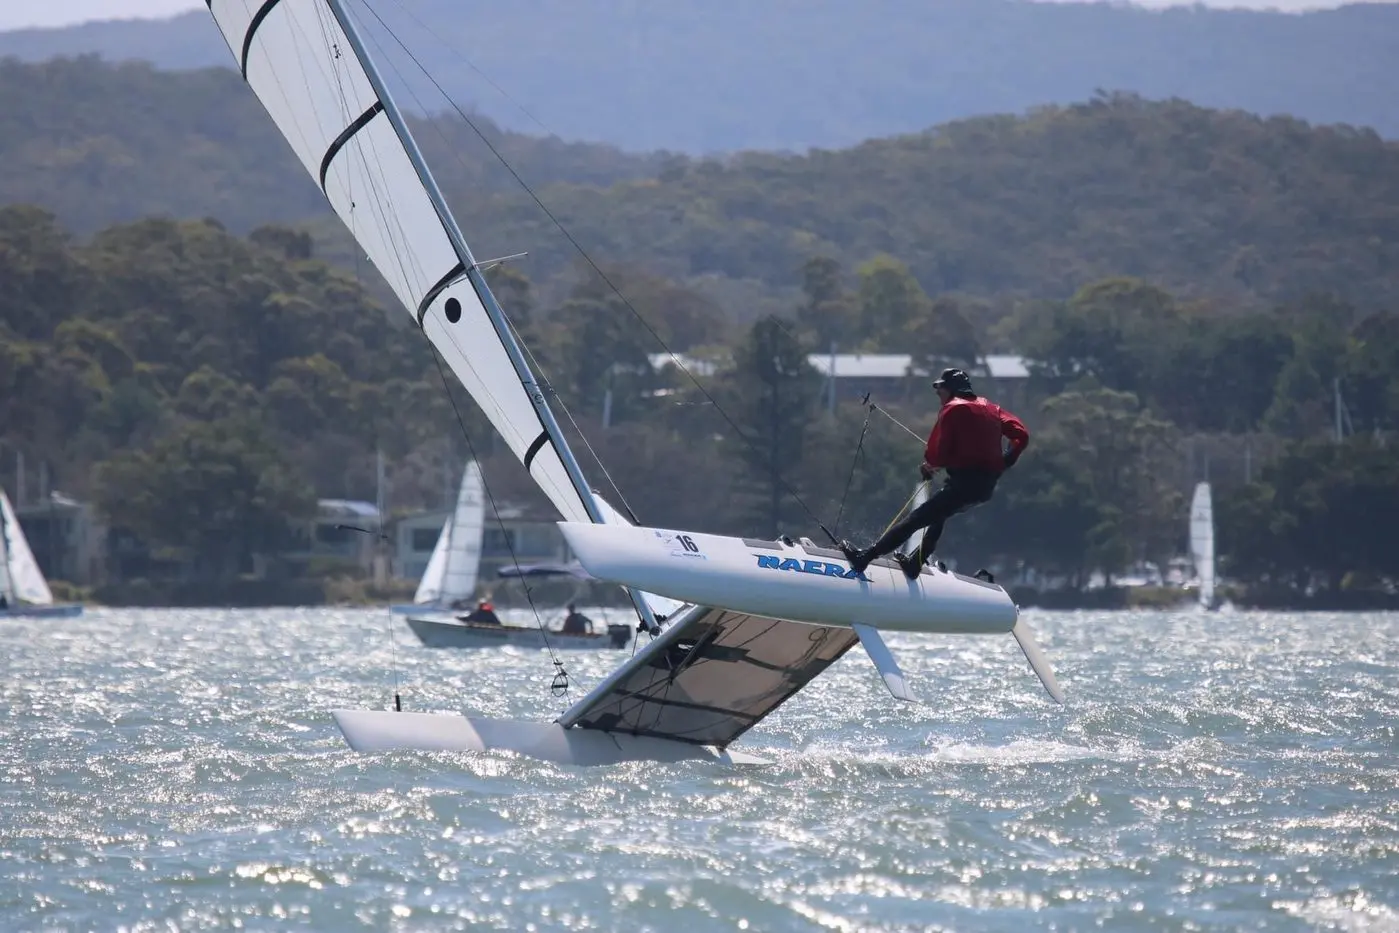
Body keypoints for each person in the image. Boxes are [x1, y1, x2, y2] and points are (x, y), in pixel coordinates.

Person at [841, 368, 1029, 580]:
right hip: (985, 488)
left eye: (941, 389)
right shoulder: (992, 408)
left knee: (916, 519)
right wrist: (1005, 462)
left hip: (964, 485)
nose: (938, 394)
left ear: (952, 389)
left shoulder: (952, 408)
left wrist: (929, 466)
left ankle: (864, 558)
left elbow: (935, 453)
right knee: (939, 513)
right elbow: (1021, 435)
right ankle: (915, 563)